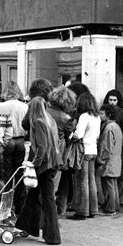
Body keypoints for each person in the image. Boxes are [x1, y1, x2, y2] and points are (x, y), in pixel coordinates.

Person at [15, 97, 62, 245]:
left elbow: (41, 147)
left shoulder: (38, 123)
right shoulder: (49, 120)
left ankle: (52, 236)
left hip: (44, 165)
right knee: (34, 196)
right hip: (52, 163)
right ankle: (25, 227)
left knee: (47, 200)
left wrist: (33, 164)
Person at [68, 92, 101, 221]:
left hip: (83, 151)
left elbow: (78, 134)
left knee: (82, 181)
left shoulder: (84, 116)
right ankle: (93, 209)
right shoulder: (96, 117)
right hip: (93, 150)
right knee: (91, 181)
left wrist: (70, 136)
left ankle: (82, 211)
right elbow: (97, 135)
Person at [45, 86, 77, 215]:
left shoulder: (44, 112)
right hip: (57, 153)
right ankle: (50, 214)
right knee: (54, 183)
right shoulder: (65, 118)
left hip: (42, 151)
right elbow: (69, 136)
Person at [0, 81, 28, 215]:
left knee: (7, 175)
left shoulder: (1, 106)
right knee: (20, 174)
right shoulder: (24, 106)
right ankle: (20, 205)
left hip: (7, 141)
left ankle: (6, 207)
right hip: (21, 140)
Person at [102, 89, 123, 208]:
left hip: (119, 147)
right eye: (110, 100)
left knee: (119, 173)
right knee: (109, 174)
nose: (112, 102)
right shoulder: (105, 112)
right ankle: (111, 200)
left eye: (114, 100)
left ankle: (119, 199)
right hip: (111, 145)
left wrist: (119, 143)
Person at [97, 104, 123, 215]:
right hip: (116, 159)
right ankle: (115, 206)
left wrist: (102, 158)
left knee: (109, 186)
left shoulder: (108, 128)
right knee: (113, 185)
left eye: (102, 113)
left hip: (109, 160)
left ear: (108, 115)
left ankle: (110, 208)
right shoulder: (116, 126)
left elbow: (106, 146)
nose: (100, 115)